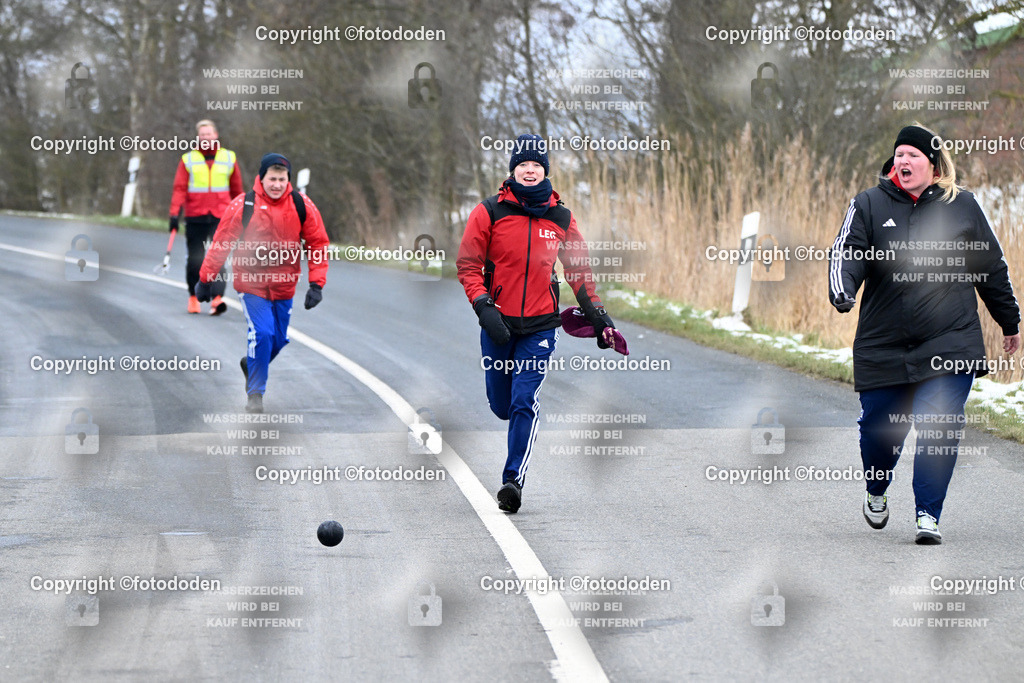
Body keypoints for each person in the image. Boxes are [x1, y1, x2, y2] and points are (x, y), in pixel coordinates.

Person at [829, 123, 1020, 544]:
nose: (903, 161)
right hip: (884, 342)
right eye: (898, 155)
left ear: (933, 166)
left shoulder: (962, 206)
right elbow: (847, 252)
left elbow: (990, 267)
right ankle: (876, 489)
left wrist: (1009, 321)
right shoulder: (868, 205)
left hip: (950, 339)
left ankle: (927, 515)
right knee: (880, 431)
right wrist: (842, 290)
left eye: (912, 155)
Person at [457, 134, 626, 513]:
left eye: (536, 165)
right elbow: (468, 265)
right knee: (501, 405)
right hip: (497, 323)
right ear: (512, 170)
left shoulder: (561, 218)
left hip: (541, 327)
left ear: (545, 170)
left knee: (523, 401)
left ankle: (512, 480)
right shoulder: (489, 212)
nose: (529, 170)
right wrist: (484, 307)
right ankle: (512, 459)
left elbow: (579, 271)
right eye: (522, 165)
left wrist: (599, 317)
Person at [195, 153, 329, 413]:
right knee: (263, 334)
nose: (277, 184)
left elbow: (318, 243)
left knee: (277, 340)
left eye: (281, 179)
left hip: (284, 285)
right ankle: (255, 395)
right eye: (272, 179)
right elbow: (222, 244)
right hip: (252, 284)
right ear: (262, 178)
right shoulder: (244, 205)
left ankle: (251, 363)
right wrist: (205, 279)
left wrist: (317, 284)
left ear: (287, 180)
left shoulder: (302, 205)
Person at [168, 119, 244, 315]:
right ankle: (193, 297)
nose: (206, 138)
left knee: (218, 258)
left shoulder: (228, 158)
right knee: (196, 259)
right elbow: (179, 189)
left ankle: (217, 299)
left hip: (222, 216)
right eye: (202, 135)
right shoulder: (188, 159)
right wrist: (174, 214)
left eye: (209, 134)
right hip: (195, 216)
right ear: (198, 137)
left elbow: (237, 190)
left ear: (216, 135)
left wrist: (243, 213)